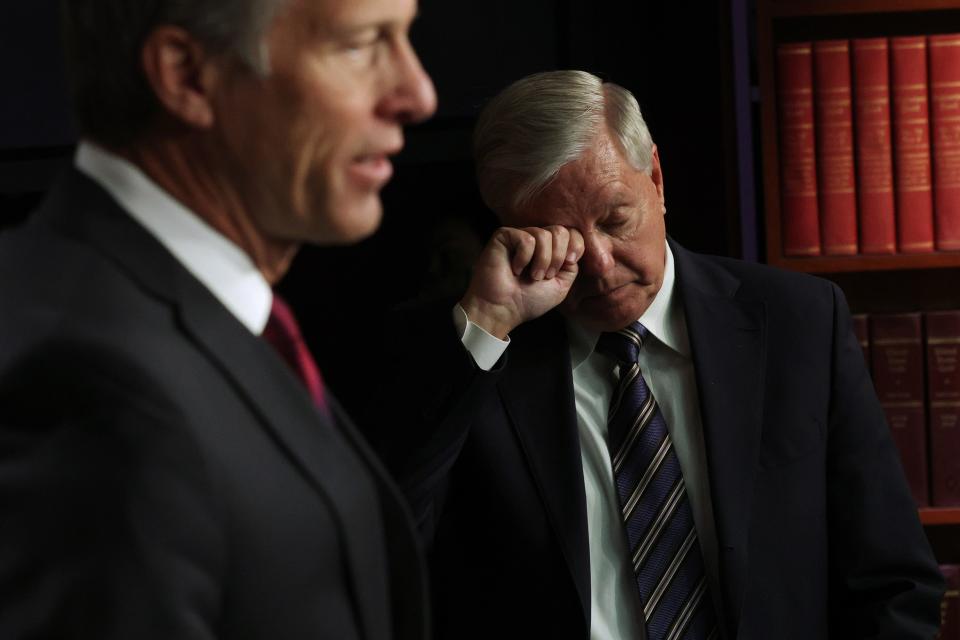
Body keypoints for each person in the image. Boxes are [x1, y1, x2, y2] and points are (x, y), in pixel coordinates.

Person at [368, 70, 944, 639]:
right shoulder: (463, 355)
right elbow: (386, 559)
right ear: (508, 230)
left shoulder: (799, 322)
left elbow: (891, 582)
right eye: (558, 235)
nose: (598, 261)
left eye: (616, 219)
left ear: (658, 179)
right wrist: (488, 326)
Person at [0, 0, 435, 638]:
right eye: (361, 44)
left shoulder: (163, 308)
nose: (417, 93)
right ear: (187, 76)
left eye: (406, 37)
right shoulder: (95, 389)